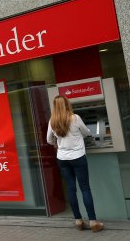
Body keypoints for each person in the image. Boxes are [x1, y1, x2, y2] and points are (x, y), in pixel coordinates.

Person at [47, 95, 104, 232]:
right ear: (67, 104)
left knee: (71, 189)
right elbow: (86, 132)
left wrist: (58, 143)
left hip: (62, 158)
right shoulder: (75, 118)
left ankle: (78, 221)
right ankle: (93, 222)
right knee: (85, 188)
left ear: (55, 107)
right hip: (78, 157)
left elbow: (49, 140)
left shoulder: (52, 121)